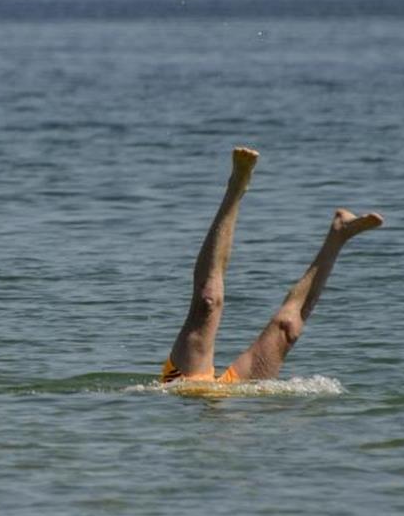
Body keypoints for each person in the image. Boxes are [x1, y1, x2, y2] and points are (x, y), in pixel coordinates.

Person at [161, 147, 383, 384]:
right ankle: (338, 236)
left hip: (182, 383)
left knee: (208, 301)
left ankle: (236, 186)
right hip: (231, 400)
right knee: (288, 330)